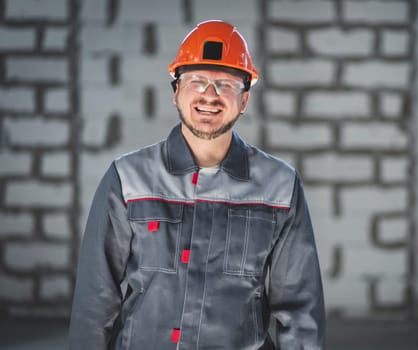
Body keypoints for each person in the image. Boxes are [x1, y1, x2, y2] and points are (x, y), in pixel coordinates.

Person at [69, 20, 325, 349]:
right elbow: (95, 299)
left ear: (244, 100)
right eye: (197, 81)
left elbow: (300, 308)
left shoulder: (279, 185)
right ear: (176, 92)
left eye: (226, 84)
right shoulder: (128, 178)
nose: (210, 95)